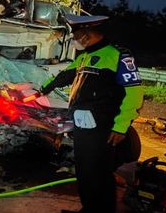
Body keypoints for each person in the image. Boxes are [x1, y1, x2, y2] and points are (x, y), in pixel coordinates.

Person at [39, 14, 144, 213]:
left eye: (77, 36)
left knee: (100, 173)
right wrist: (43, 89)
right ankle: (89, 208)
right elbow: (65, 76)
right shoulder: (85, 56)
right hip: (83, 125)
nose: (75, 41)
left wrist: (121, 126)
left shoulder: (118, 55)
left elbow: (135, 92)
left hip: (103, 127)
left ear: (87, 34)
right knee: (85, 171)